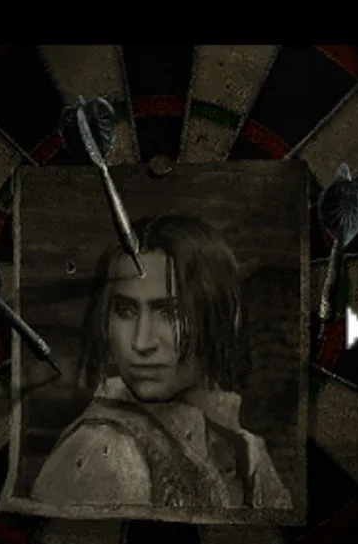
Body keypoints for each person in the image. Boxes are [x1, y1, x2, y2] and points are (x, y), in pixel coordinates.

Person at [30, 215, 293, 511]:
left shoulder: (244, 449)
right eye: (125, 311)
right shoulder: (107, 451)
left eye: (170, 313)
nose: (142, 342)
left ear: (221, 317)